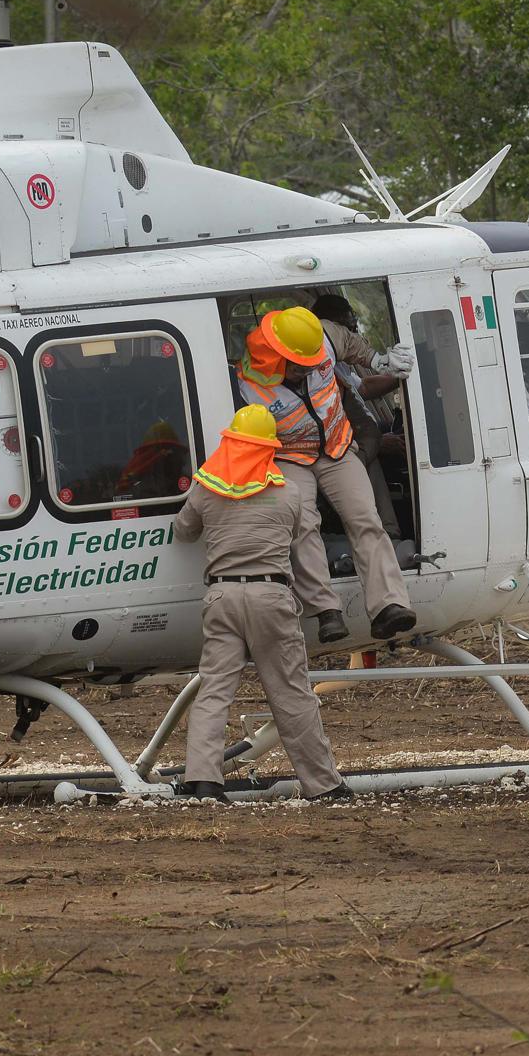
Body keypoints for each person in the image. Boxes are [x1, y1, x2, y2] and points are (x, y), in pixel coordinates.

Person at [172, 405, 351, 803]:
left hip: (221, 596)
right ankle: (323, 785)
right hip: (271, 596)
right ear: (270, 449)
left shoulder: (206, 489)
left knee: (214, 689)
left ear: (231, 442)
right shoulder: (288, 492)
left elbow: (183, 531)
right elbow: (302, 538)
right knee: (290, 692)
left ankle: (203, 781)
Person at [235, 305, 416, 643]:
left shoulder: (322, 339)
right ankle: (326, 611)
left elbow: (349, 341)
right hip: (288, 456)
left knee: (365, 518)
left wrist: (378, 360)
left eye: (311, 362)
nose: (307, 370)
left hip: (337, 445)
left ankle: (389, 606)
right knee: (302, 523)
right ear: (277, 357)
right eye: (298, 366)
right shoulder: (248, 386)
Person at [311, 293, 410, 539]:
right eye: (347, 328)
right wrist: (378, 444)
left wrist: (398, 377)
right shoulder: (318, 367)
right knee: (371, 461)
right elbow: (332, 418)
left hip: (357, 433)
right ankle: (389, 534)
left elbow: (362, 388)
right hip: (340, 445)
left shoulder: (337, 359)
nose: (353, 334)